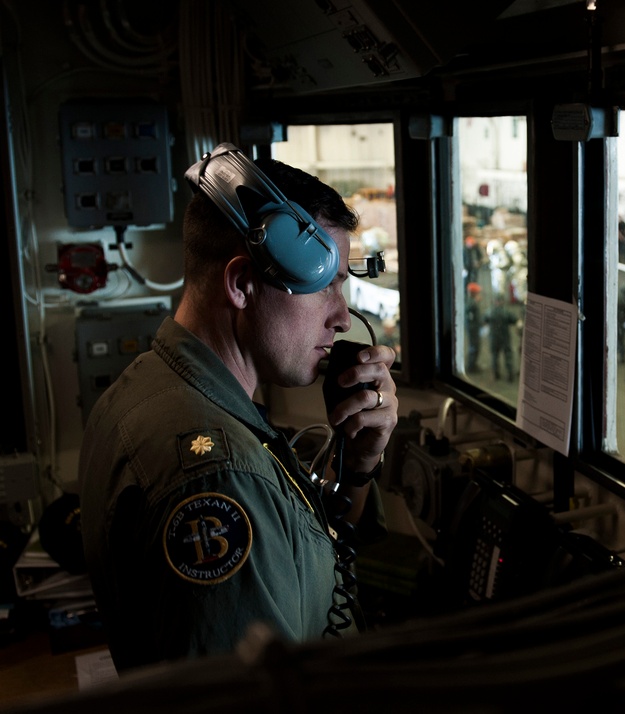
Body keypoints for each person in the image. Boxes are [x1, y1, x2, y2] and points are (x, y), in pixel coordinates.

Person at [78, 146, 397, 673]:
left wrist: (355, 465)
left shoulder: (151, 390)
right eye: (326, 287)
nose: (343, 318)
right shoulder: (219, 477)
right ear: (242, 284)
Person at [485, 294, 519, 382]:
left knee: (494, 356)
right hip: (505, 338)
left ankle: (496, 375)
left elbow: (484, 319)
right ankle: (510, 375)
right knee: (508, 355)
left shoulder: (490, 311)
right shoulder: (506, 312)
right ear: (502, 301)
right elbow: (514, 320)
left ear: (495, 301)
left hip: (493, 338)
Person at [466, 282, 484, 373]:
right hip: (473, 329)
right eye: (477, 292)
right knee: (474, 347)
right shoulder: (471, 302)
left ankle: (473, 365)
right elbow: (470, 316)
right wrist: (475, 302)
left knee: (475, 347)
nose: (478, 294)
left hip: (474, 328)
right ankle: (471, 367)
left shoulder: (472, 301)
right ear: (473, 293)